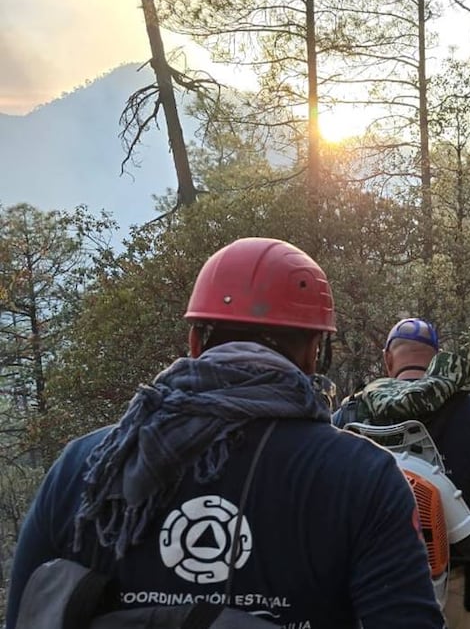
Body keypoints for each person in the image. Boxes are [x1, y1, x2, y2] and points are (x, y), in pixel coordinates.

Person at [5, 237, 444, 629]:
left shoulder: (85, 465)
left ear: (195, 341)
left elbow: (26, 610)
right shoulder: (365, 476)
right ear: (314, 353)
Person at [334, 318, 470, 629]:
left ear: (387, 359)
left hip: (364, 582)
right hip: (456, 575)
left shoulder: (346, 417)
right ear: (437, 357)